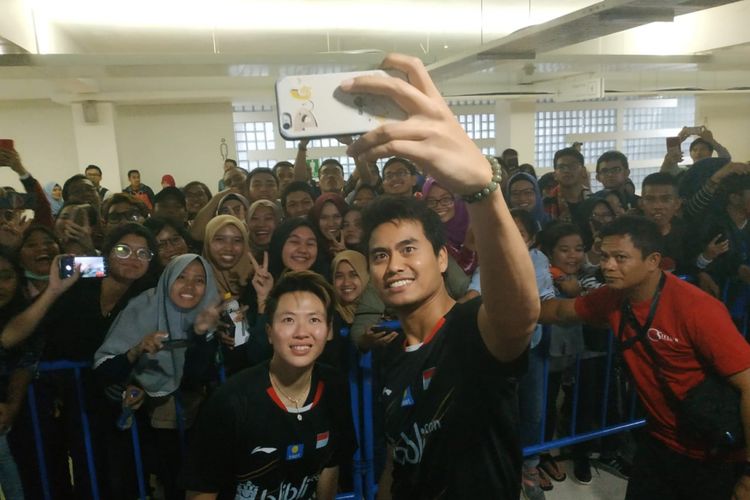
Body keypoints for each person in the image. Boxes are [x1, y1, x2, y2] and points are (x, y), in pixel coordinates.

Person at [344, 54, 538, 498]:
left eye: (409, 249)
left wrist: (481, 192)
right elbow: (401, 448)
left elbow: (521, 315)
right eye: (379, 255)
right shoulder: (393, 355)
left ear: (442, 257)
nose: (394, 265)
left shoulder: (472, 331)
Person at [538, 215, 750, 500]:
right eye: (605, 256)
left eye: (621, 257)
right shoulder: (613, 297)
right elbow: (560, 312)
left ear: (653, 261)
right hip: (658, 442)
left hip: (712, 452)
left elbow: (748, 384)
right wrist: (496, 310)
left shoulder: (697, 309)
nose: (608, 266)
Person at [181, 271, 357, 499]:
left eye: (314, 319)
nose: (302, 332)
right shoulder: (231, 400)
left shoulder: (334, 387)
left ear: (329, 330)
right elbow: (201, 490)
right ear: (270, 333)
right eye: (288, 320)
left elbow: (330, 465)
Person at [93, 254, 221, 500]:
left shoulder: (210, 313)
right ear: (168, 279)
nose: (190, 287)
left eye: (199, 280)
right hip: (146, 423)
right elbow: (104, 369)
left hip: (195, 419)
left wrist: (202, 335)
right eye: (181, 277)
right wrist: (136, 351)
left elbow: (196, 377)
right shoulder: (143, 307)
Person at [543, 147, 590, 223]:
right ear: (555, 174)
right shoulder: (546, 204)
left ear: (583, 171)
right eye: (561, 167)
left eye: (572, 166)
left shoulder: (594, 201)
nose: (566, 170)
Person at [309, 193, 348, 258]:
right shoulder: (309, 252)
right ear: (316, 220)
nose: (331, 224)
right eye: (324, 217)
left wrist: (347, 255)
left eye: (337, 216)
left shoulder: (357, 245)